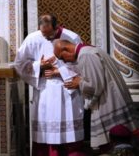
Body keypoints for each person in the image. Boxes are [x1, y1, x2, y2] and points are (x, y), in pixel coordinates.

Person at [12, 14, 85, 156]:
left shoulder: (72, 38)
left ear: (57, 27)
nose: (46, 37)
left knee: (70, 138)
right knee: (46, 136)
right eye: (43, 34)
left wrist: (60, 72)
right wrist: (40, 66)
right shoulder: (33, 39)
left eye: (49, 34)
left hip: (68, 91)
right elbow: (19, 64)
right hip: (46, 92)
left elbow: (82, 66)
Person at [53, 39, 139, 152]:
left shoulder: (85, 56)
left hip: (108, 102)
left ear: (66, 49)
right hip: (114, 97)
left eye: (61, 57)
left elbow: (95, 85)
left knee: (113, 145)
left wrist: (79, 83)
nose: (64, 61)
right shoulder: (91, 50)